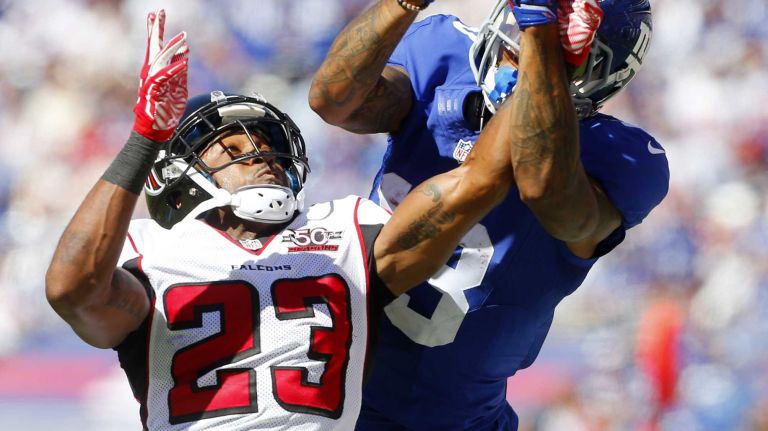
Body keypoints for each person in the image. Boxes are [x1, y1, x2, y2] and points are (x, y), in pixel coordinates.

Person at [39, 7, 577, 430]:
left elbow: (476, 180)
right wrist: (144, 139)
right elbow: (71, 290)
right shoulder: (152, 251)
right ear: (177, 177)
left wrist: (539, 46)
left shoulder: (345, 231)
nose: (262, 156)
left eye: (269, 146)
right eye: (233, 149)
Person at [309, 0, 669, 429]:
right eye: (521, 27)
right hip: (336, 393)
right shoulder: (443, 54)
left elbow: (542, 187)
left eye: (556, 42)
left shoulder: (624, 158)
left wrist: (544, 49)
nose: (519, 48)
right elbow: (334, 102)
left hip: (457, 420)